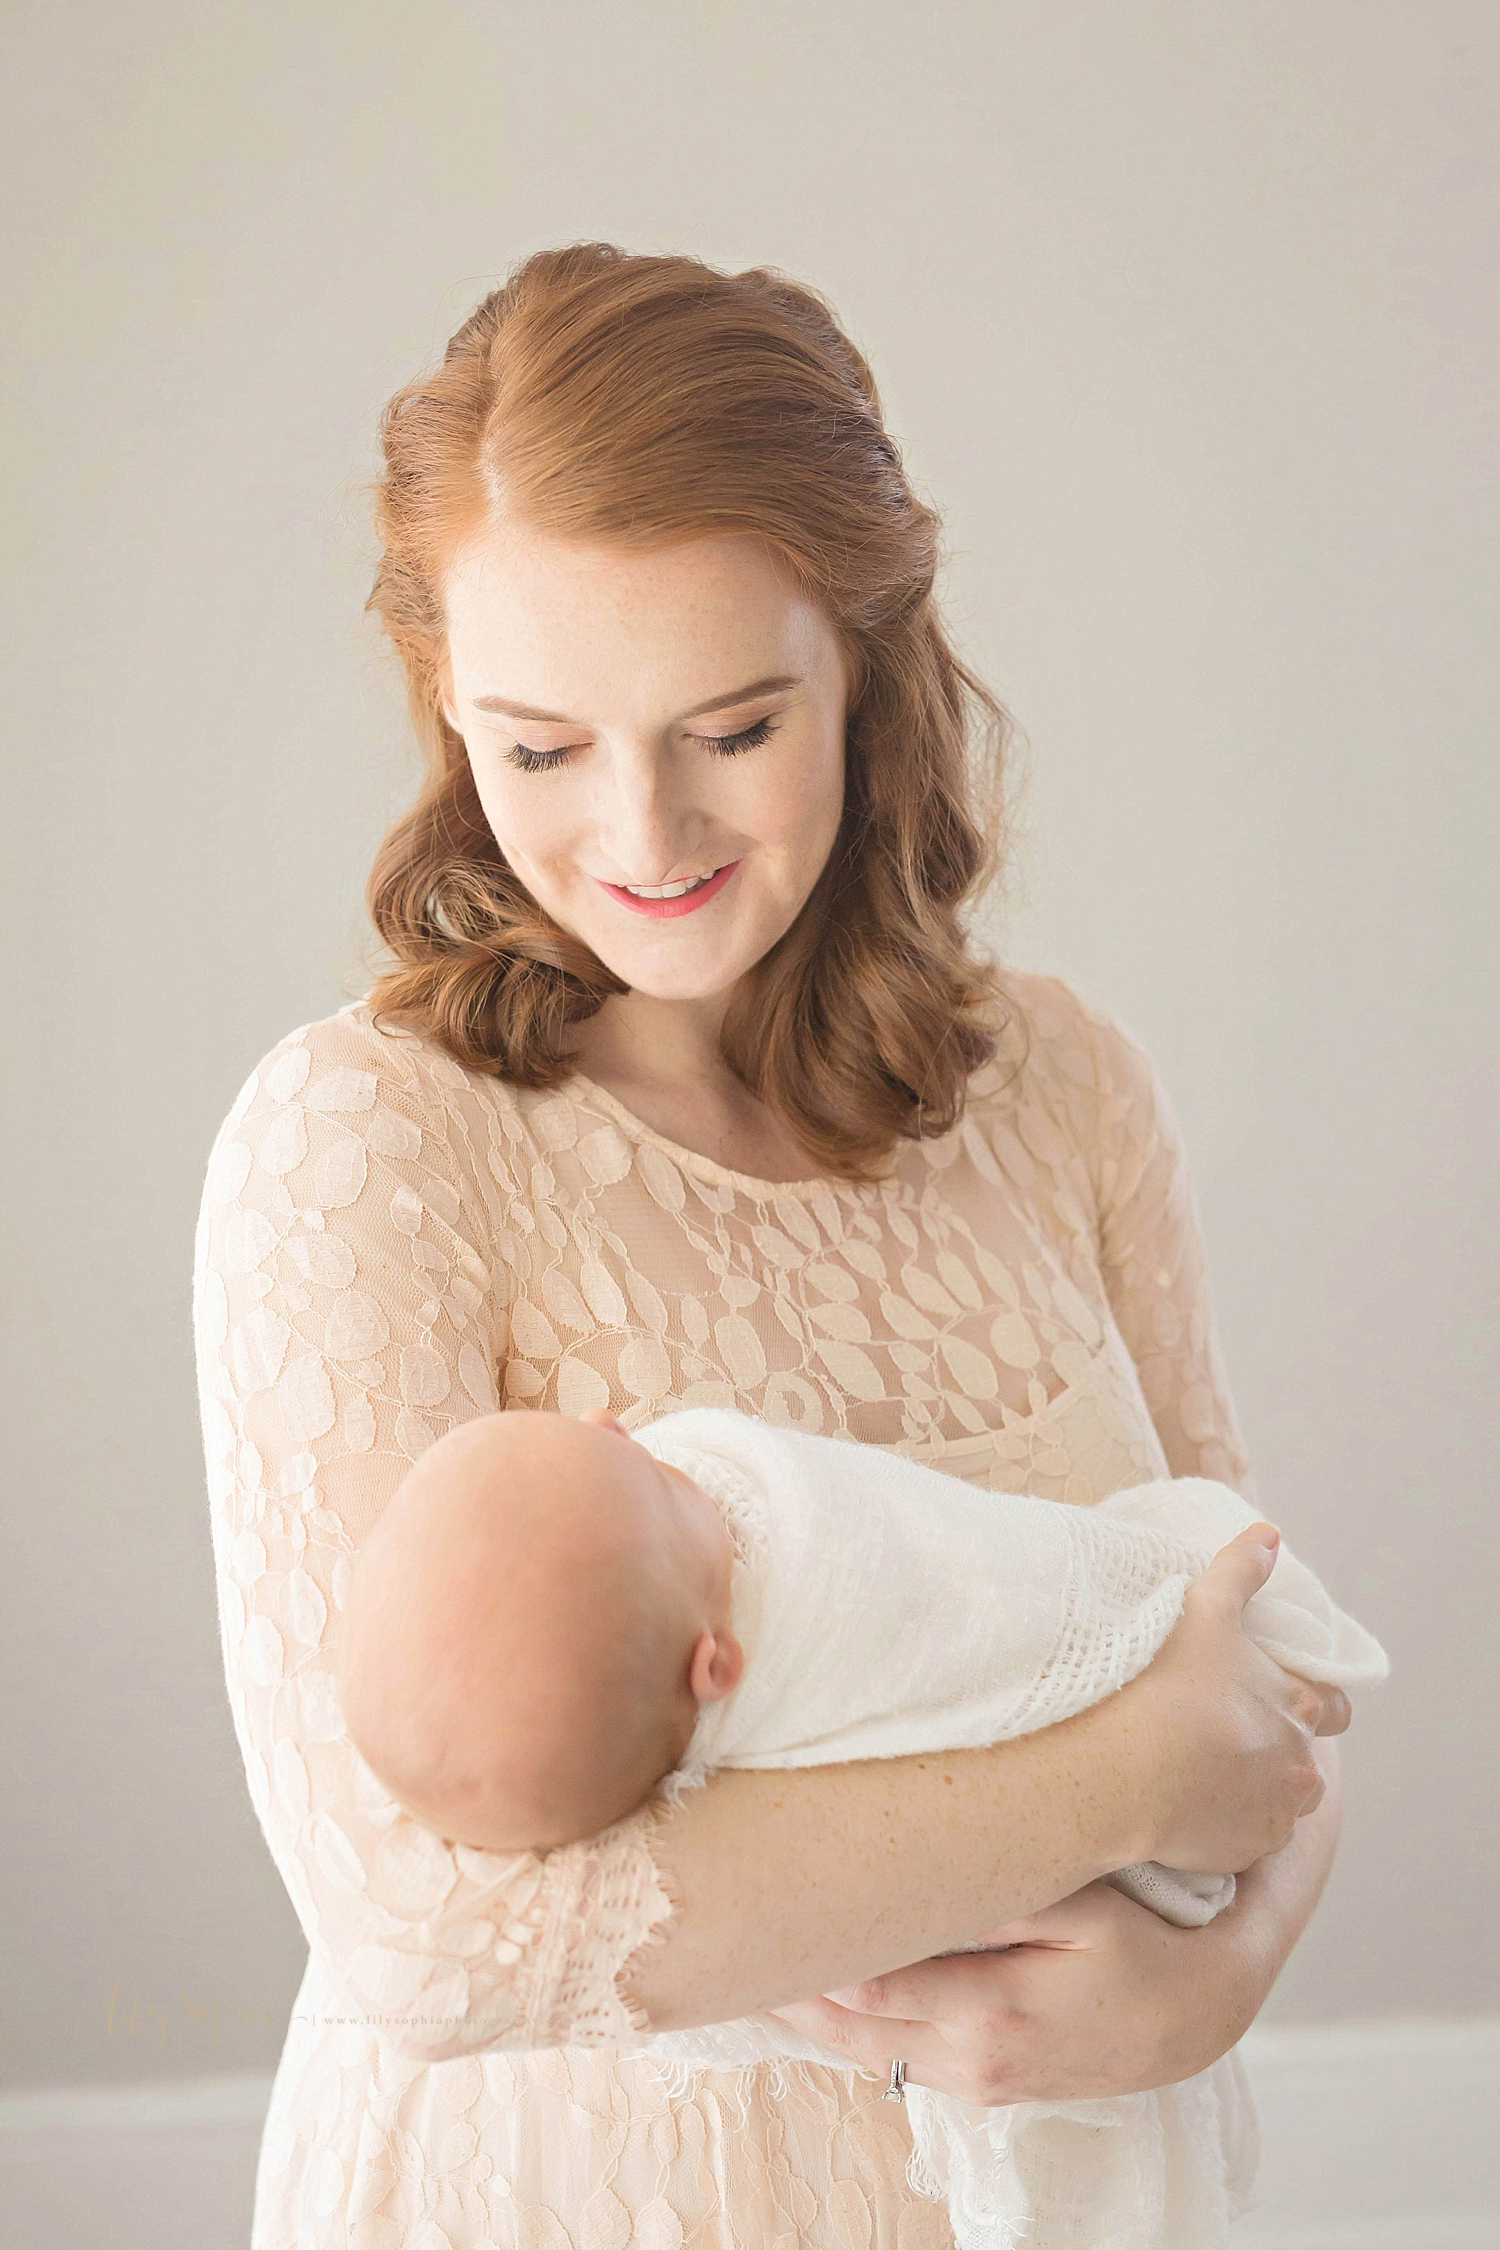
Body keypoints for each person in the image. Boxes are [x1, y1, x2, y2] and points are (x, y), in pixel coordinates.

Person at [192, 241, 1352, 2250]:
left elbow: (1268, 1688)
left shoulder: (1064, 1088)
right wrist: (1120, 1785)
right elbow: (432, 1937)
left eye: (733, 725)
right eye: (538, 746)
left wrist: (1214, 1978)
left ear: (867, 667)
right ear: (444, 709)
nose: (641, 835)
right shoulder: (367, 1146)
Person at [334, 1401, 1387, 2250]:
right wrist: (1140, 1772)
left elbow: (1259, 1663)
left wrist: (1232, 1973)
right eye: (656, 1478)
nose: (620, 1426)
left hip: (1133, 2029)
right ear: (717, 1669)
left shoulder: (1089, 1129)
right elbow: (422, 1960)